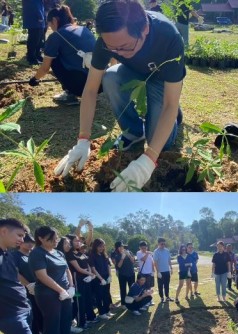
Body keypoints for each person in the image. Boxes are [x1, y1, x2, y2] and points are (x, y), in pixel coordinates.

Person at [53, 0, 187, 192]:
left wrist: (148, 160)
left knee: (161, 143)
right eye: (112, 48)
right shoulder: (107, 41)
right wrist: (83, 139)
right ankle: (133, 132)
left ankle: (175, 117)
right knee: (110, 77)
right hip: (131, 72)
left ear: (145, 30)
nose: (117, 52)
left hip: (161, 79)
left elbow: (170, 103)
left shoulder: (169, 38)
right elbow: (90, 90)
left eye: (124, 47)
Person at [30, 226, 79, 334]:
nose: (54, 241)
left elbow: (67, 270)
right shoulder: (37, 253)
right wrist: (61, 290)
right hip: (47, 294)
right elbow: (42, 276)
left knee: (65, 317)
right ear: (40, 239)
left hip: (65, 291)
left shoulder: (58, 253)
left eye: (56, 238)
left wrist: (71, 287)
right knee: (52, 322)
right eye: (50, 240)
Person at [0, 219, 43, 334]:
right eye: (19, 235)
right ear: (3, 231)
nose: (21, 239)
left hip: (23, 308)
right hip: (10, 315)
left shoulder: (7, 254)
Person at [27, 5, 97, 105]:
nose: (50, 27)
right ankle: (87, 93)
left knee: (52, 59)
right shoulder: (85, 30)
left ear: (55, 20)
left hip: (79, 86)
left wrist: (34, 79)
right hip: (98, 84)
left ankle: (70, 93)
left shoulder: (56, 36)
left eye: (50, 24)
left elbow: (45, 68)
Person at [14, 233, 44, 334]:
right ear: (20, 242)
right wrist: (28, 285)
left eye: (32, 242)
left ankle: (42, 332)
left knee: (40, 311)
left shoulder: (33, 254)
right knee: (33, 312)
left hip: (39, 287)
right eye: (28, 242)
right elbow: (16, 273)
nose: (30, 244)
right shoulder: (15, 255)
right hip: (27, 289)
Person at [89, 239, 113, 319]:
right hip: (98, 278)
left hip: (106, 277)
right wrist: (101, 279)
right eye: (100, 246)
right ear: (95, 246)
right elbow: (93, 268)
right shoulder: (92, 255)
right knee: (99, 296)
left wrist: (110, 276)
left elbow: (108, 266)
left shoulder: (104, 255)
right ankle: (101, 313)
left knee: (106, 294)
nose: (102, 248)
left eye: (103, 246)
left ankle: (107, 311)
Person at [110, 240, 135, 306]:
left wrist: (129, 255)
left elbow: (133, 262)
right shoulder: (116, 255)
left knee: (132, 289)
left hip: (131, 273)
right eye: (120, 246)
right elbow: (118, 266)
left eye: (122, 246)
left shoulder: (129, 252)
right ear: (117, 248)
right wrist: (122, 258)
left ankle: (131, 302)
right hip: (122, 274)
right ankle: (123, 304)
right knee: (123, 289)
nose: (122, 248)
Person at [21, 0, 45, 65]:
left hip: (36, 21)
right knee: (34, 40)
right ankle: (31, 58)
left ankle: (37, 55)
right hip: (35, 21)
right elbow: (35, 6)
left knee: (38, 40)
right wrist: (40, 16)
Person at [153, 237, 172, 303]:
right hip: (160, 272)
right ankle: (161, 298)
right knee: (160, 286)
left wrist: (171, 268)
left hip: (167, 271)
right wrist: (158, 272)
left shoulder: (167, 250)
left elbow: (169, 260)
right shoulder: (156, 251)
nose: (163, 245)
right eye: (162, 244)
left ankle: (167, 297)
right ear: (158, 243)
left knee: (167, 285)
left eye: (164, 244)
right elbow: (155, 262)